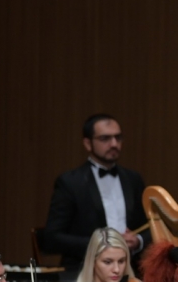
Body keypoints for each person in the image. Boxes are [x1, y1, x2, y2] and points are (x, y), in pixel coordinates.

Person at [43, 114, 150, 267]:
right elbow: (52, 238)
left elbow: (148, 228)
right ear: (88, 144)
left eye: (118, 138)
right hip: (85, 270)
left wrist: (138, 240)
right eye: (105, 139)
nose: (114, 144)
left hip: (130, 270)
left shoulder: (133, 179)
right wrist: (101, 245)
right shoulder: (70, 182)